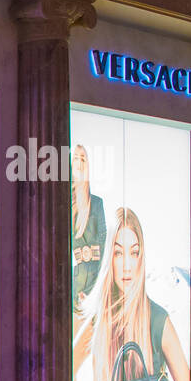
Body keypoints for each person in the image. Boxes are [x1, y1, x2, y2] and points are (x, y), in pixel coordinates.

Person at [72, 207, 190, 381]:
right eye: (118, 252)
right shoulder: (97, 321)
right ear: (109, 259)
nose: (127, 265)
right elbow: (64, 374)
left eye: (134, 252)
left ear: (142, 258)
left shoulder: (158, 320)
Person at [71, 143, 106, 335]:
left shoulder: (97, 203)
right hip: (74, 283)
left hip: (95, 279)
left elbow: (103, 241)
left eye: (83, 158)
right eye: (76, 158)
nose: (79, 162)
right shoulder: (62, 204)